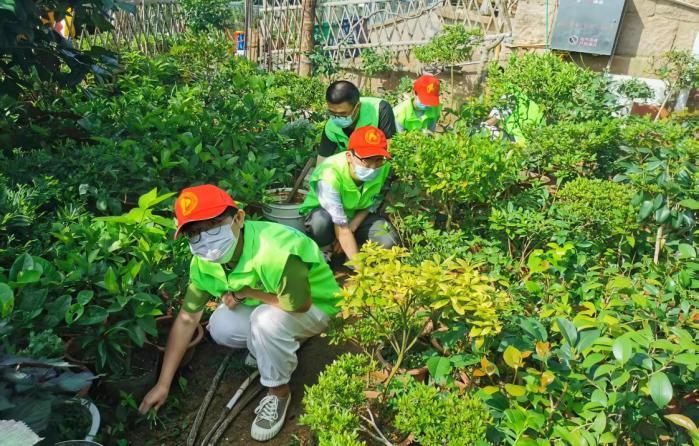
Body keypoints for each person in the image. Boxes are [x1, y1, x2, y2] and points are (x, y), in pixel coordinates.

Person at [138, 184, 341, 442]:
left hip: (315, 306)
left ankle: (278, 393)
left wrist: (246, 292)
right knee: (220, 325)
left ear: (239, 218)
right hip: (272, 306)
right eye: (194, 234)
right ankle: (273, 346)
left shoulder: (276, 251)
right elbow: (188, 319)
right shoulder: (204, 262)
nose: (205, 239)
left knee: (265, 321)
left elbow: (297, 305)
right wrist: (162, 384)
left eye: (213, 225)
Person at [300, 126, 400, 261]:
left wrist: (352, 227)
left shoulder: (384, 167)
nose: (373, 167)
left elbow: (373, 201)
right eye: (366, 160)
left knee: (388, 240)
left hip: (356, 216)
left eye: (378, 159)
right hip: (328, 217)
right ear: (349, 156)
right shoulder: (329, 174)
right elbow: (341, 225)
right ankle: (324, 250)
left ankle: (353, 250)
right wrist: (360, 269)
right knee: (320, 222)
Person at [317, 80, 396, 165]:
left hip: (378, 163)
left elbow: (390, 151)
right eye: (332, 113)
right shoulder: (330, 127)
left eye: (342, 114)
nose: (337, 118)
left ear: (357, 107)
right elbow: (322, 161)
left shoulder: (380, 110)